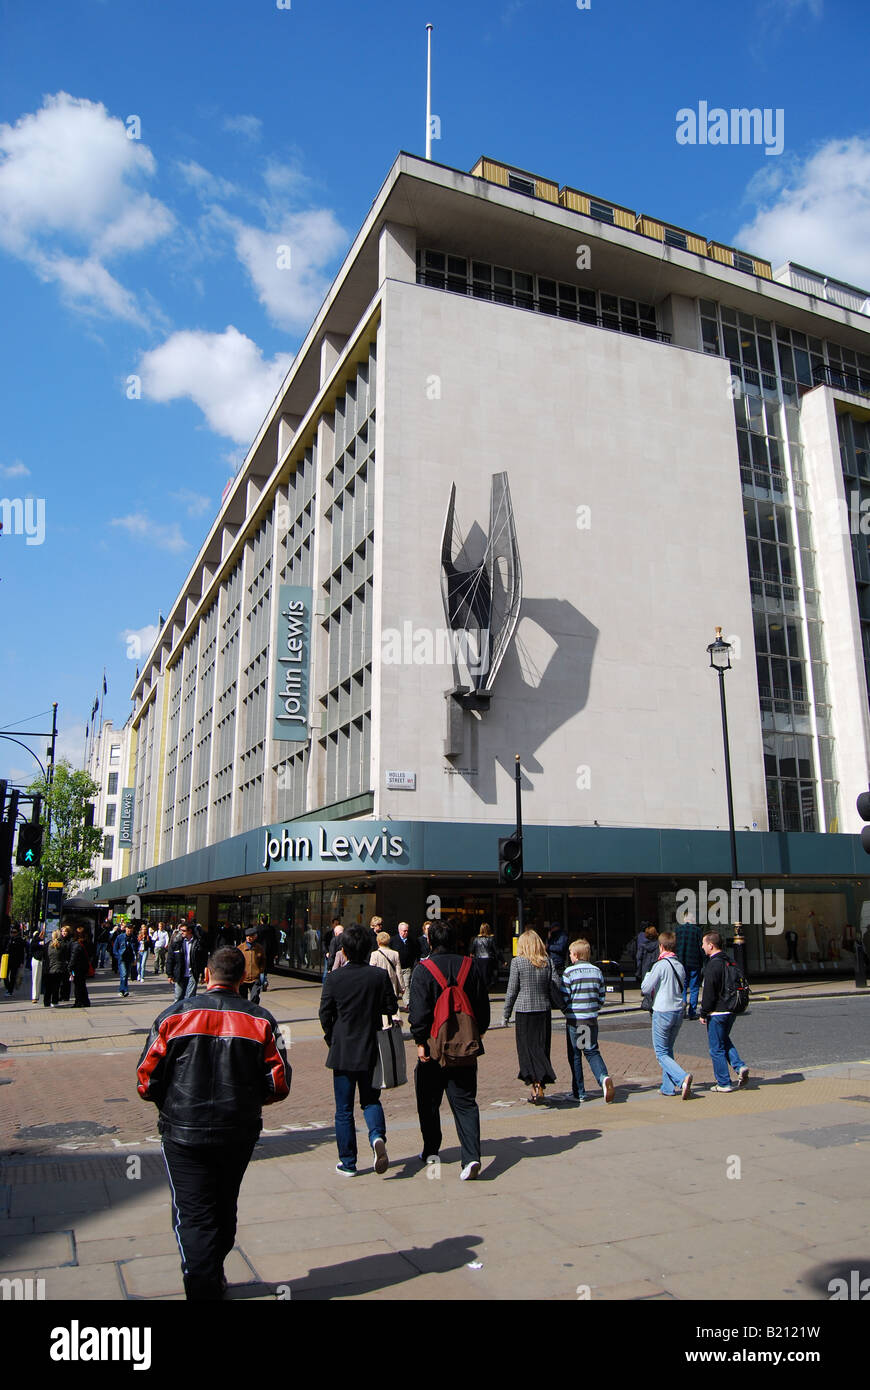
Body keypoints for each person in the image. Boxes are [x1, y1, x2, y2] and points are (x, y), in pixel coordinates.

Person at [137, 945, 291, 1299]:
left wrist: (166, 1102)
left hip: (183, 1131)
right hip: (237, 1129)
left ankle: (202, 1282)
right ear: (242, 978)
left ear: (207, 975)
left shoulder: (173, 1016)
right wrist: (251, 1100)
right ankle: (211, 1272)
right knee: (225, 1203)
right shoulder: (261, 1020)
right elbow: (279, 1082)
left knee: (192, 1212)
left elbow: (146, 1079)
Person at [409, 920, 489, 1180]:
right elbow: (483, 1010)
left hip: (433, 1048)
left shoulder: (423, 970)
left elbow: (418, 1012)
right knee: (465, 1103)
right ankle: (471, 1157)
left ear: (430, 941)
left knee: (429, 1102)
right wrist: (475, 1033)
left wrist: (420, 1041)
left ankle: (431, 1148)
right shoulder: (471, 965)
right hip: (465, 1048)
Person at [318, 923, 397, 1177]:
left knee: (343, 1109)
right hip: (370, 1045)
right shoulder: (378, 976)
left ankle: (348, 1161)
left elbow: (325, 1012)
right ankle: (377, 1136)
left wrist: (332, 1036)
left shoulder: (334, 978)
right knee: (371, 1100)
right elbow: (390, 1007)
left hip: (342, 1048)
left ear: (344, 950)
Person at [502, 928, 558, 1103]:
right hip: (543, 1010)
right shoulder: (547, 962)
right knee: (541, 1047)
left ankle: (535, 1083)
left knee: (526, 1050)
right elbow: (556, 983)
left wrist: (506, 1014)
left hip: (524, 1011)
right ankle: (540, 1082)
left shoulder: (517, 962)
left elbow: (512, 990)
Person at [560, 938, 615, 1103]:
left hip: (575, 1020)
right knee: (591, 1050)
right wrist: (594, 1008)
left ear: (575, 955)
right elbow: (601, 996)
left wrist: (567, 1009)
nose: (570, 956)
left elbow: (565, 997)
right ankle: (603, 1077)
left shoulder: (569, 973)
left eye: (570, 953)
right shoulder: (597, 971)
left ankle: (579, 1092)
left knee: (575, 1055)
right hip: (591, 1018)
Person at [641, 930, 692, 1099]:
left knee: (661, 1053)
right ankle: (667, 1087)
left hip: (662, 1011)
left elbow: (645, 988)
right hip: (678, 1011)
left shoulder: (660, 965)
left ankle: (682, 1077)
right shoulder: (679, 964)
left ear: (661, 946)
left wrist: (648, 973)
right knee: (668, 1050)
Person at [699, 931, 749, 1093]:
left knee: (716, 1048)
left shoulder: (713, 964)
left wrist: (703, 1012)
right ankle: (739, 1066)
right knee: (723, 1040)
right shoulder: (729, 960)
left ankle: (723, 1083)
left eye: (704, 944)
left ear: (711, 945)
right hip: (732, 1009)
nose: (702, 946)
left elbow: (709, 992)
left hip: (717, 1011)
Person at [166, 921, 207, 1002]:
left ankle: (188, 1014)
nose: (181, 933)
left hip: (192, 973)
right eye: (180, 930)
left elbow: (203, 959)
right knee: (178, 998)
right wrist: (169, 974)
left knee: (190, 998)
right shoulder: (177, 943)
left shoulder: (197, 943)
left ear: (190, 931)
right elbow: (170, 958)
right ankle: (177, 1014)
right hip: (180, 973)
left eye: (184, 931)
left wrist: (203, 975)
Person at [369, 930, 404, 1022]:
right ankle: (396, 1021)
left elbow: (371, 971)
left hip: (379, 984)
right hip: (392, 983)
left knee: (381, 1004)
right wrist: (401, 987)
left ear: (378, 941)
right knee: (393, 1003)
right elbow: (399, 972)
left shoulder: (374, 954)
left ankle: (385, 1025)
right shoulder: (395, 954)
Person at [675, 914, 703, 1020]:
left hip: (681, 962)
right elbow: (701, 947)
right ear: (693, 921)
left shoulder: (678, 930)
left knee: (683, 986)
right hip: (695, 962)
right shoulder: (697, 930)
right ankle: (692, 1012)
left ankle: (682, 1009)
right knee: (694, 987)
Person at [390, 921, 420, 1007]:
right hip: (396, 969)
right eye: (404, 931)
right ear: (399, 930)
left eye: (407, 931)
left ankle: (408, 1004)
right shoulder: (393, 940)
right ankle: (394, 1005)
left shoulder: (412, 941)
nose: (405, 933)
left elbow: (415, 953)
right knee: (394, 987)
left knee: (406, 986)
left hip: (407, 968)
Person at [44, 927, 70, 1007]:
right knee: (56, 986)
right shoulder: (62, 945)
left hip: (48, 968)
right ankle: (54, 1001)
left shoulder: (47, 944)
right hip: (58, 968)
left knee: (48, 986)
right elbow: (66, 956)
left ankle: (46, 1001)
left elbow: (44, 956)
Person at [470, 922, 499, 993]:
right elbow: (496, 951)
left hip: (478, 959)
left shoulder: (476, 939)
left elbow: (471, 951)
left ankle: (480, 991)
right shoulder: (491, 939)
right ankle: (486, 991)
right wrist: (503, 961)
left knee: (479, 977)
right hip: (488, 960)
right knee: (487, 977)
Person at [239, 928, 266, 1003]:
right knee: (243, 1000)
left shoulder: (259, 948)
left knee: (255, 997)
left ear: (255, 937)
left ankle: (253, 1012)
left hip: (255, 978)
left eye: (251, 936)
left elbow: (263, 961)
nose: (249, 938)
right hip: (243, 978)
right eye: (247, 936)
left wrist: (260, 971)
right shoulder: (240, 948)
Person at [113, 923, 138, 997]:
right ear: (125, 929)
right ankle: (124, 990)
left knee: (126, 975)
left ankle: (122, 990)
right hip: (122, 958)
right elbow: (115, 948)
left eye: (131, 929)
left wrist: (135, 959)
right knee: (123, 974)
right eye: (128, 929)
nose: (129, 930)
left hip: (129, 958)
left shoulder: (133, 938)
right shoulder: (120, 937)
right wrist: (118, 956)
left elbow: (136, 948)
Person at [70, 927, 92, 1008]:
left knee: (78, 985)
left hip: (77, 967)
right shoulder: (88, 942)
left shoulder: (76, 944)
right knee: (82, 984)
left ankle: (78, 1001)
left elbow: (73, 957)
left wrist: (70, 967)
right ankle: (85, 1001)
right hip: (84, 966)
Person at [2, 925, 26, 996]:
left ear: (17, 932)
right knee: (4, 976)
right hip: (7, 960)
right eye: (11, 932)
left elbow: (22, 952)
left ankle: (10, 990)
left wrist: (21, 962)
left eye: (14, 932)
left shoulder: (20, 941)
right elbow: (3, 948)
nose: (12, 933)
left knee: (13, 976)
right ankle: (8, 988)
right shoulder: (8, 939)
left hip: (15, 961)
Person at [29, 923, 46, 1002]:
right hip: (38, 959)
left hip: (47, 960)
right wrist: (40, 943)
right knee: (36, 978)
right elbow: (32, 946)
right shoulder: (37, 936)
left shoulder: (53, 936)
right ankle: (35, 996)